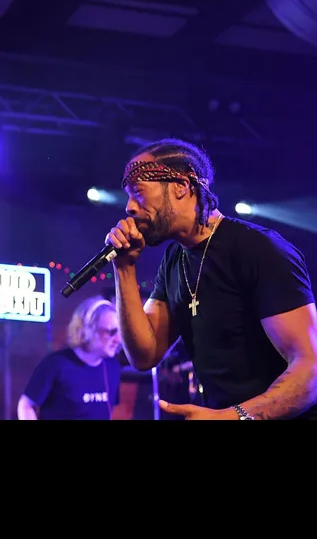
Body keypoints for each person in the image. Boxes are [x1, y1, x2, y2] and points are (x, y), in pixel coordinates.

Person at [106, 137, 317, 420]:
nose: (130, 207)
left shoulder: (258, 248)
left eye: (138, 192)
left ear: (182, 186)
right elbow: (144, 355)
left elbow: (311, 370)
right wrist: (124, 268)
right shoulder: (174, 260)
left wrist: (232, 417)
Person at [17, 296, 122, 420]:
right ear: (87, 329)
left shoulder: (113, 367)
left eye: (119, 332)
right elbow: (26, 406)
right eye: (111, 332)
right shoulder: (56, 364)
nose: (118, 339)